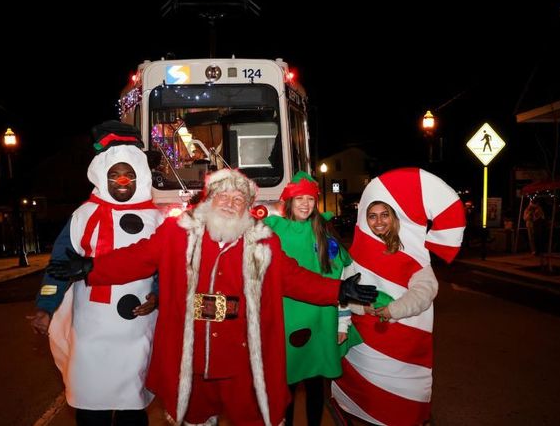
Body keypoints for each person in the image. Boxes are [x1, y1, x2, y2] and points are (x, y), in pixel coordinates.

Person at [46, 168, 378, 426]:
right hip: (192, 355)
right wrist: (91, 267)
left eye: (239, 200)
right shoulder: (178, 234)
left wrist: (338, 290)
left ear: (248, 208)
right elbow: (138, 257)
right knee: (195, 415)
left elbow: (293, 278)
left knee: (253, 415)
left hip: (243, 357)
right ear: (209, 200)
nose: (231, 203)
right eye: (224, 197)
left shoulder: (262, 242)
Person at [27, 121, 163, 426]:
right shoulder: (83, 215)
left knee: (132, 405)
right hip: (92, 329)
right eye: (114, 175)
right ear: (103, 177)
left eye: (128, 174)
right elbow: (59, 267)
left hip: (137, 330)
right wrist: (45, 308)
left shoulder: (157, 218)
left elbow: (165, 266)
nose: (122, 181)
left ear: (139, 176)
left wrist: (158, 295)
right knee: (91, 403)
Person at [332, 168, 465, 426]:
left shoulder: (413, 254)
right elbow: (343, 293)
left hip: (404, 344)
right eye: (372, 216)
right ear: (364, 219)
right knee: (368, 405)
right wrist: (363, 309)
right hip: (367, 346)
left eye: (385, 215)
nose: (379, 221)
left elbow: (425, 291)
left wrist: (394, 310)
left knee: (403, 407)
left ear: (394, 218)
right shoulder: (356, 256)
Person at [263, 171, 353, 426]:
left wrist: (343, 322)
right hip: (286, 316)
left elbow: (343, 278)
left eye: (310, 199)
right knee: (287, 383)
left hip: (321, 318)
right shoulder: (273, 229)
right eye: (299, 198)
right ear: (288, 202)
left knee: (316, 384)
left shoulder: (324, 232)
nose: (305, 204)